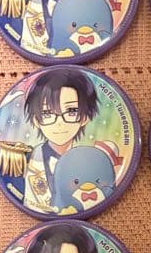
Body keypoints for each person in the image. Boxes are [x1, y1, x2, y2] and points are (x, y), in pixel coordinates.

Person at [21, 68, 100, 214]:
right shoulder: (24, 160)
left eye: (71, 111)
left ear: (84, 118)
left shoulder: (91, 163)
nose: (59, 122)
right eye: (47, 113)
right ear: (36, 120)